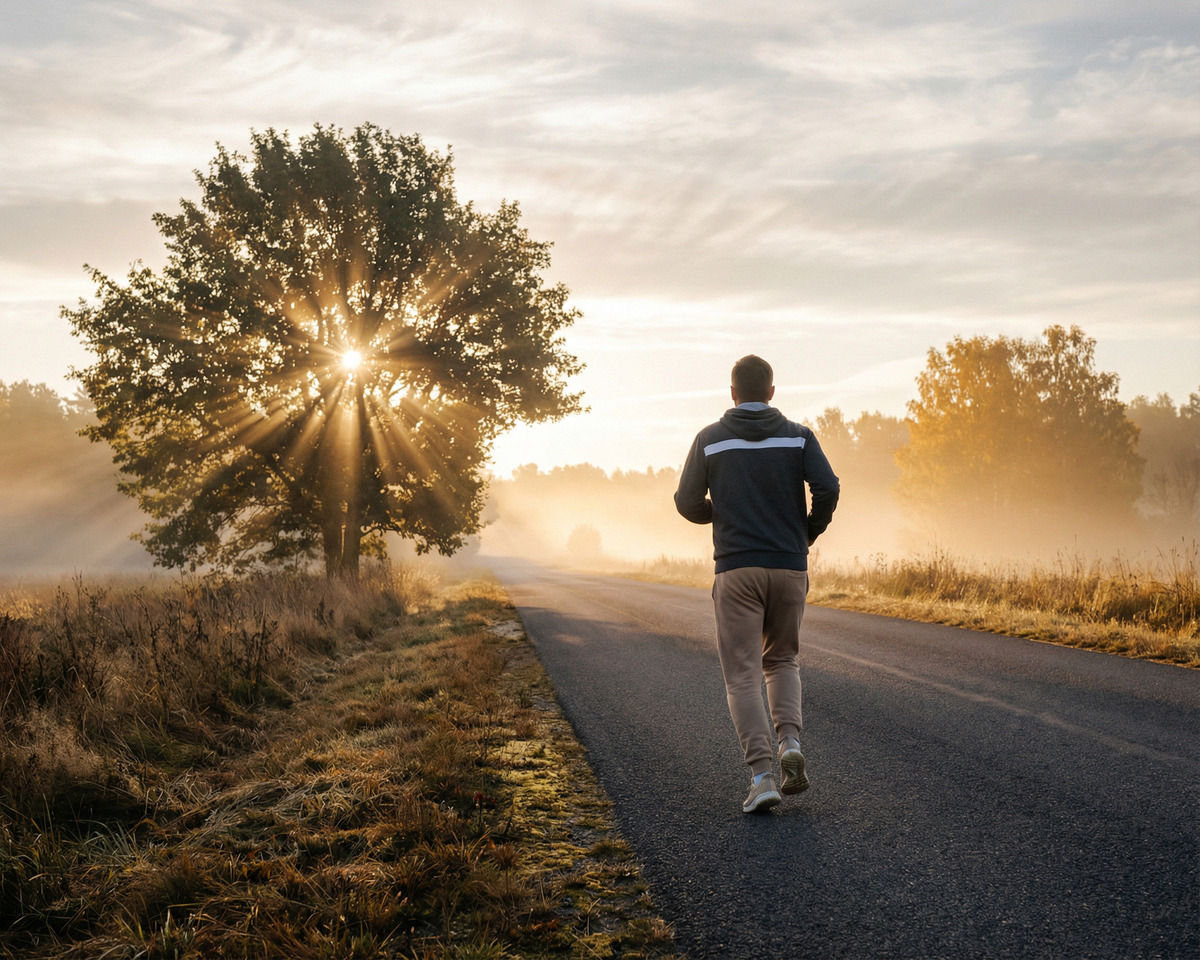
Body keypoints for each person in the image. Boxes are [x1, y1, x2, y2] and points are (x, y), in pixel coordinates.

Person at [674, 354, 840, 813]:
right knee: (783, 660)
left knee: (743, 674)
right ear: (771, 391)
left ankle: (763, 777)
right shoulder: (799, 436)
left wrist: (721, 514)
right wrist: (806, 531)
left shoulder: (709, 439)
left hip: (737, 568)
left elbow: (686, 501)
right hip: (789, 565)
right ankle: (790, 743)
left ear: (732, 393)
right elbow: (828, 488)